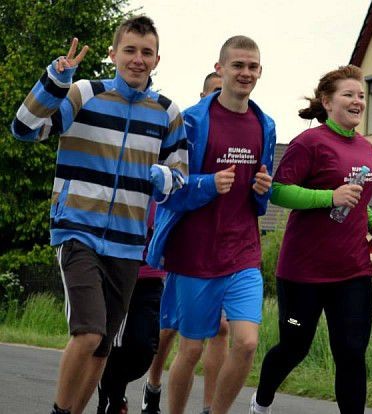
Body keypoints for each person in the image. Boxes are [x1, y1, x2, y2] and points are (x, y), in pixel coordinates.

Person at [10, 15, 188, 414]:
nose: (138, 59)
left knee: (103, 346)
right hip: (77, 229)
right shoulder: (84, 93)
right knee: (88, 332)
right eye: (130, 50)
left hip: (128, 243)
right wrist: (54, 81)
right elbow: (24, 128)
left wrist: (164, 178)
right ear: (113, 54)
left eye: (146, 52)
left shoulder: (167, 112)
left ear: (157, 59)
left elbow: (180, 176)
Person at [146, 35, 276, 414]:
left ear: (260, 71)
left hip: (243, 251)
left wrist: (263, 189)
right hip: (196, 253)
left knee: (247, 342)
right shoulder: (190, 121)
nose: (245, 73)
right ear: (220, 68)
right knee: (190, 348)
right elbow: (167, 189)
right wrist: (208, 183)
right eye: (238, 65)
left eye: (252, 67)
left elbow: (259, 198)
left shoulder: (265, 125)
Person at [251, 64, 372, 414]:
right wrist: (329, 197)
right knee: (294, 347)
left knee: (351, 353)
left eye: (361, 95)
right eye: (348, 94)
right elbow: (278, 191)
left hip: (353, 269)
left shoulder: (367, 148)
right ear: (327, 101)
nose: (358, 101)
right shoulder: (310, 142)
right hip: (303, 271)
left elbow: (359, 200)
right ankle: (261, 402)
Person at [142, 71, 230, 414]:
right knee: (169, 328)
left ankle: (210, 407)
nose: (222, 97)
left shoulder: (239, 134)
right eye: (215, 91)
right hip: (186, 242)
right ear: (202, 95)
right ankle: (153, 383)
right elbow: (168, 186)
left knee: (220, 329)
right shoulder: (187, 129)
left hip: (223, 246)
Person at [97, 202, 165, 414]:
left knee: (144, 349)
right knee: (114, 344)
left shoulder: (163, 184)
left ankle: (111, 387)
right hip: (116, 270)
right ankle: (111, 400)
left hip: (151, 274)